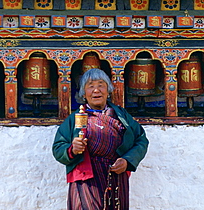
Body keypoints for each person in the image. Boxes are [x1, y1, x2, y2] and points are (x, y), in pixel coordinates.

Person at [52, 68, 149, 210]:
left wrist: (127, 160)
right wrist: (73, 149)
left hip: (116, 175)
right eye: (90, 86)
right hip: (87, 178)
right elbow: (58, 148)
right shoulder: (75, 119)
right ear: (84, 94)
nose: (96, 90)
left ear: (108, 91)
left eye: (101, 85)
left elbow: (141, 140)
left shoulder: (121, 116)